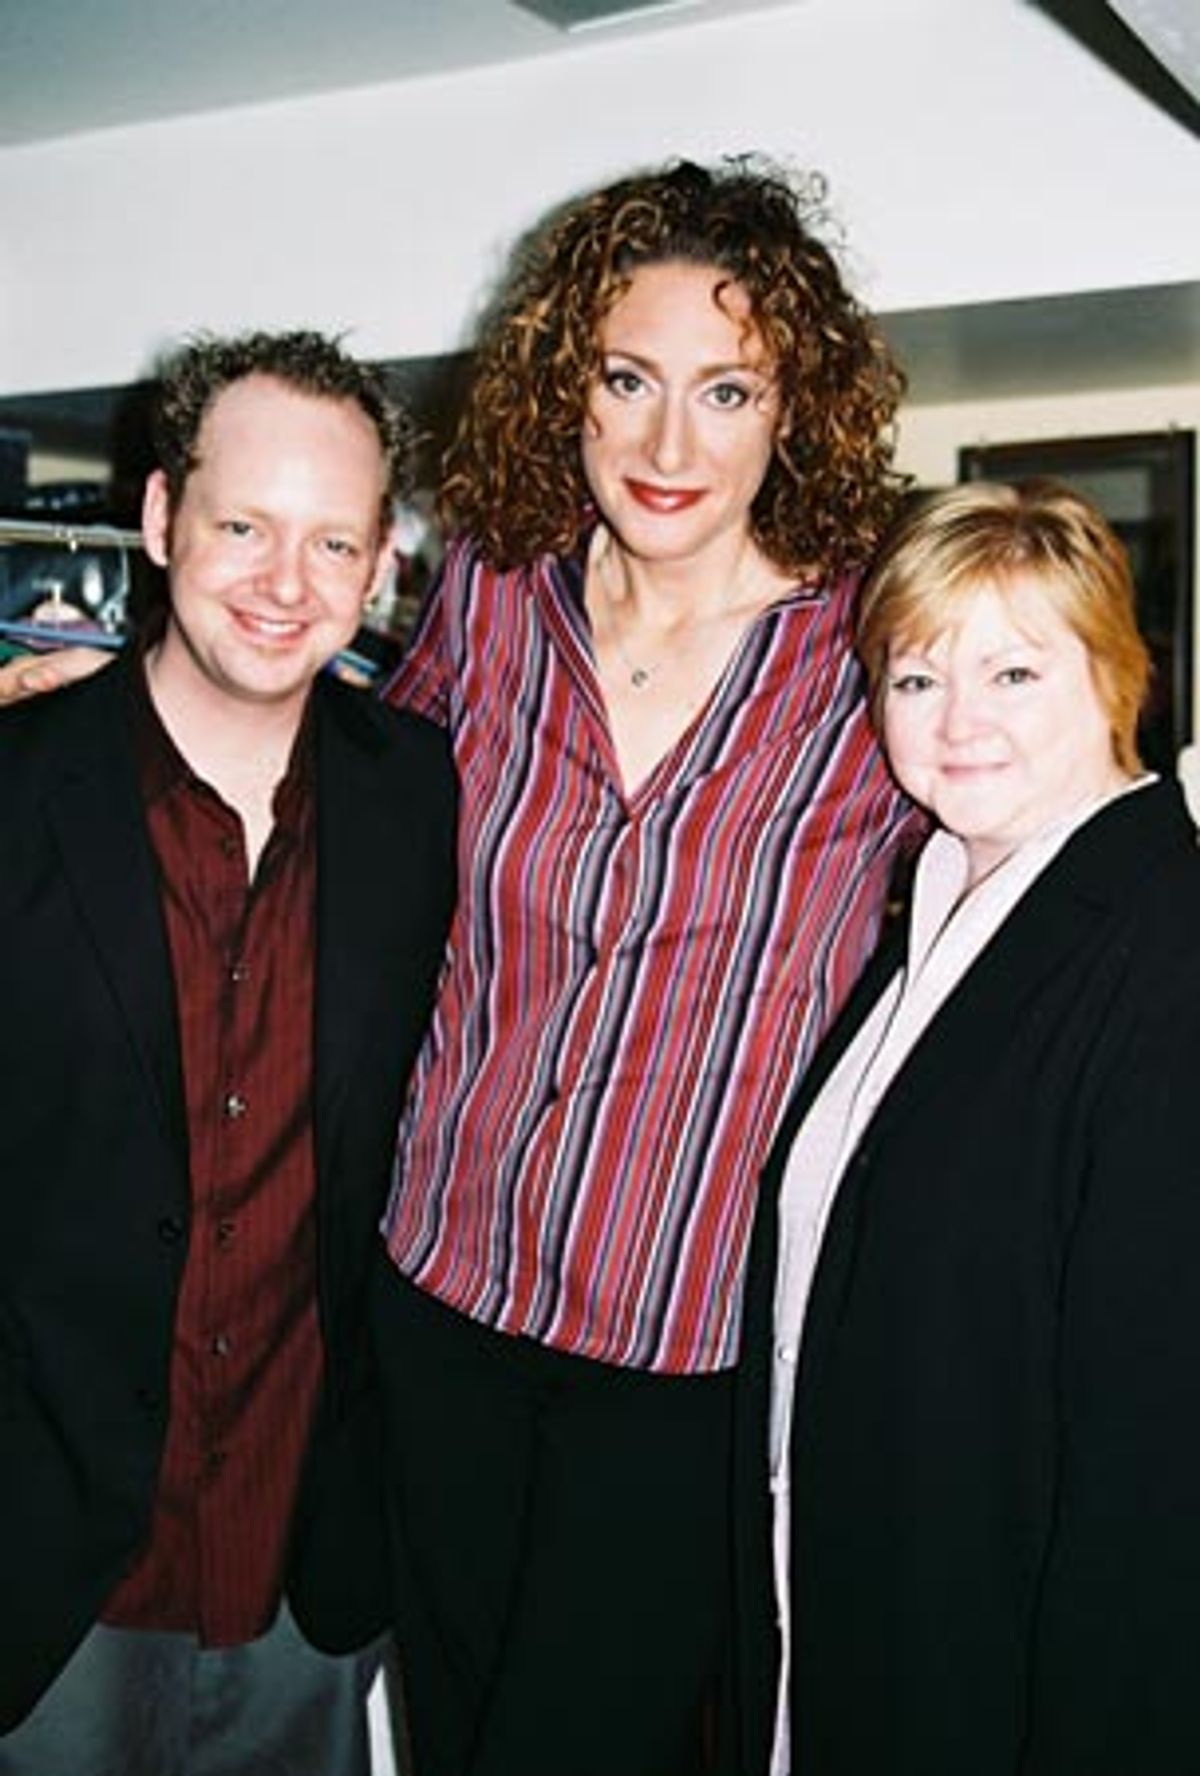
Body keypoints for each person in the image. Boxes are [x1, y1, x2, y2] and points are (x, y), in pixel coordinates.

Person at [370, 158, 912, 1776]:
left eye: (727, 390)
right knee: (456, 1718)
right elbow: (351, 802)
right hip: (438, 1281)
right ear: (568, 389)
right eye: (629, 380)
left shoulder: (875, 642)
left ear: (791, 410)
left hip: (687, 1345)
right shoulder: (487, 586)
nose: (671, 447)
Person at [0, 331, 457, 1775]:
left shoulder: (427, 805)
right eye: (243, 525)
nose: (284, 582)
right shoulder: (14, 787)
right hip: (37, 1563)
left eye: (332, 541)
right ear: (158, 519)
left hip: (299, 1572)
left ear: (381, 559)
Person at [730, 479, 1200, 1775]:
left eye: (1013, 671)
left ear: (1117, 675)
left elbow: (1158, 1460)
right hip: (856, 1627)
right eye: (917, 678)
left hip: (1009, 1685)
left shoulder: (1163, 944)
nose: (959, 722)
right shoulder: (936, 904)